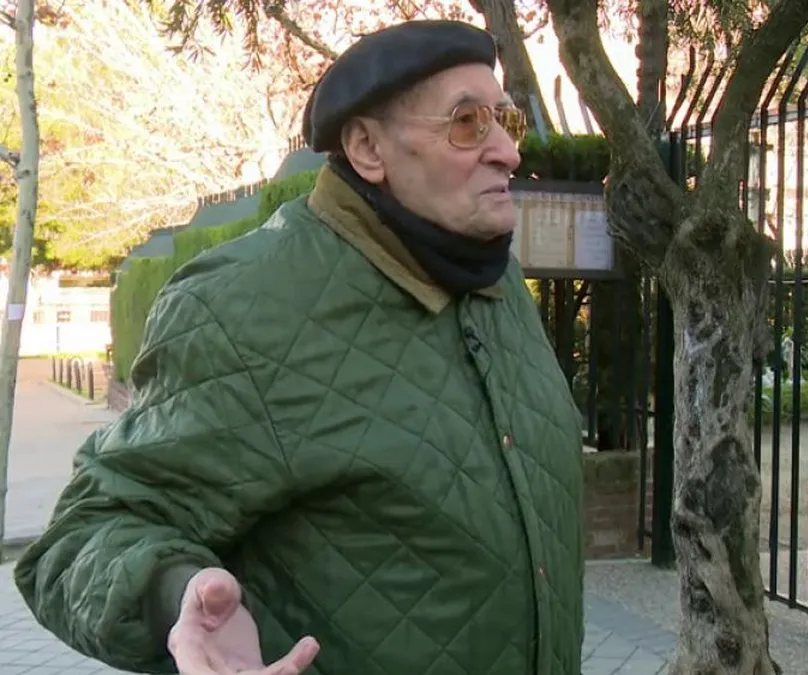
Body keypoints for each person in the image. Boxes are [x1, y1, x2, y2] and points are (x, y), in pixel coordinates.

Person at [14, 19, 585, 675]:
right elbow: (81, 537)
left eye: (506, 121)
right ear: (368, 148)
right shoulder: (245, 307)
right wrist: (178, 594)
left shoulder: (494, 280)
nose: (508, 152)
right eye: (467, 123)